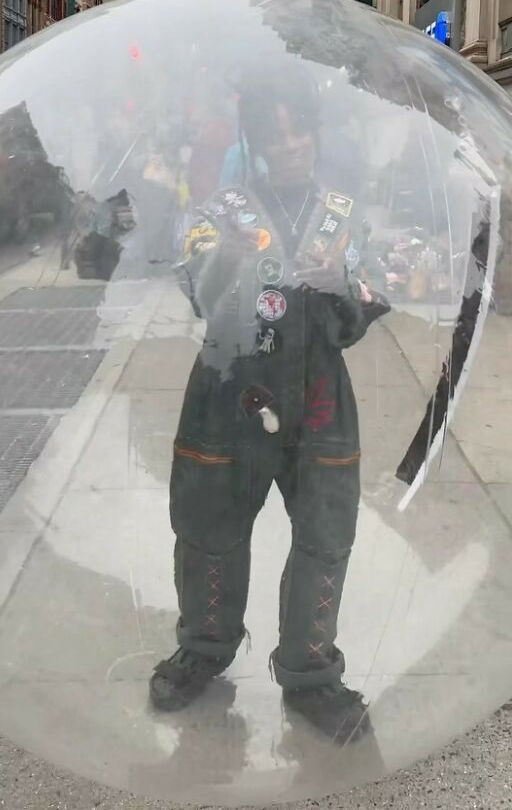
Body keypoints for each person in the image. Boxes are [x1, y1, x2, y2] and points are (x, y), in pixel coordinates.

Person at [150, 63, 389, 743]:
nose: (288, 145)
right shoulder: (217, 215)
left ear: (313, 134)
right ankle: (203, 648)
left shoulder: (344, 219)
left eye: (297, 131)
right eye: (272, 134)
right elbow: (196, 283)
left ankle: (312, 673)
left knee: (325, 533)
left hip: (318, 402)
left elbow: (369, 295)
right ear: (252, 142)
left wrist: (343, 285)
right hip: (228, 394)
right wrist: (229, 262)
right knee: (207, 527)